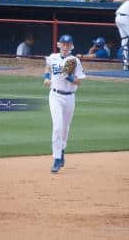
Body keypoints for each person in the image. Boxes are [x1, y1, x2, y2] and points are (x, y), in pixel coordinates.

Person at [43, 34, 85, 173]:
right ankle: (56, 159)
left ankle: (61, 150)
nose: (65, 46)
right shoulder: (53, 57)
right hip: (55, 96)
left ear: (72, 46)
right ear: (58, 44)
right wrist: (47, 78)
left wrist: (69, 77)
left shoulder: (74, 61)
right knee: (57, 127)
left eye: (68, 44)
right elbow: (48, 67)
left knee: (65, 128)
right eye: (63, 44)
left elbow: (79, 81)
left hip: (69, 97)